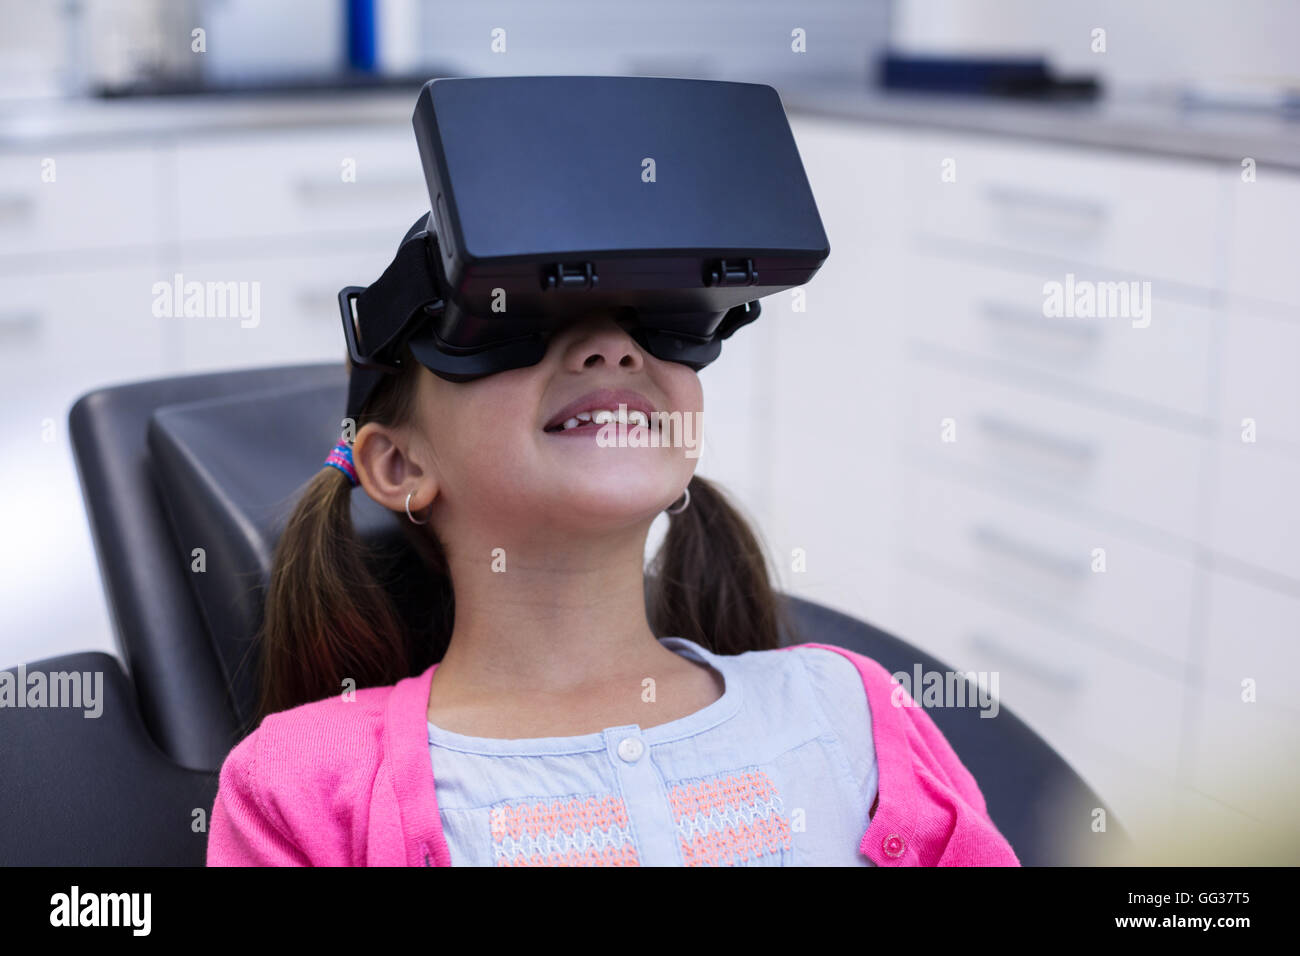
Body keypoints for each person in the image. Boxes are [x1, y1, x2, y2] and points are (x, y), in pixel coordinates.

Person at [206, 310, 1019, 866]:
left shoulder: (847, 707)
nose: (612, 348)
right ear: (400, 464)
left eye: (654, 321)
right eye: (520, 321)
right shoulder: (301, 780)